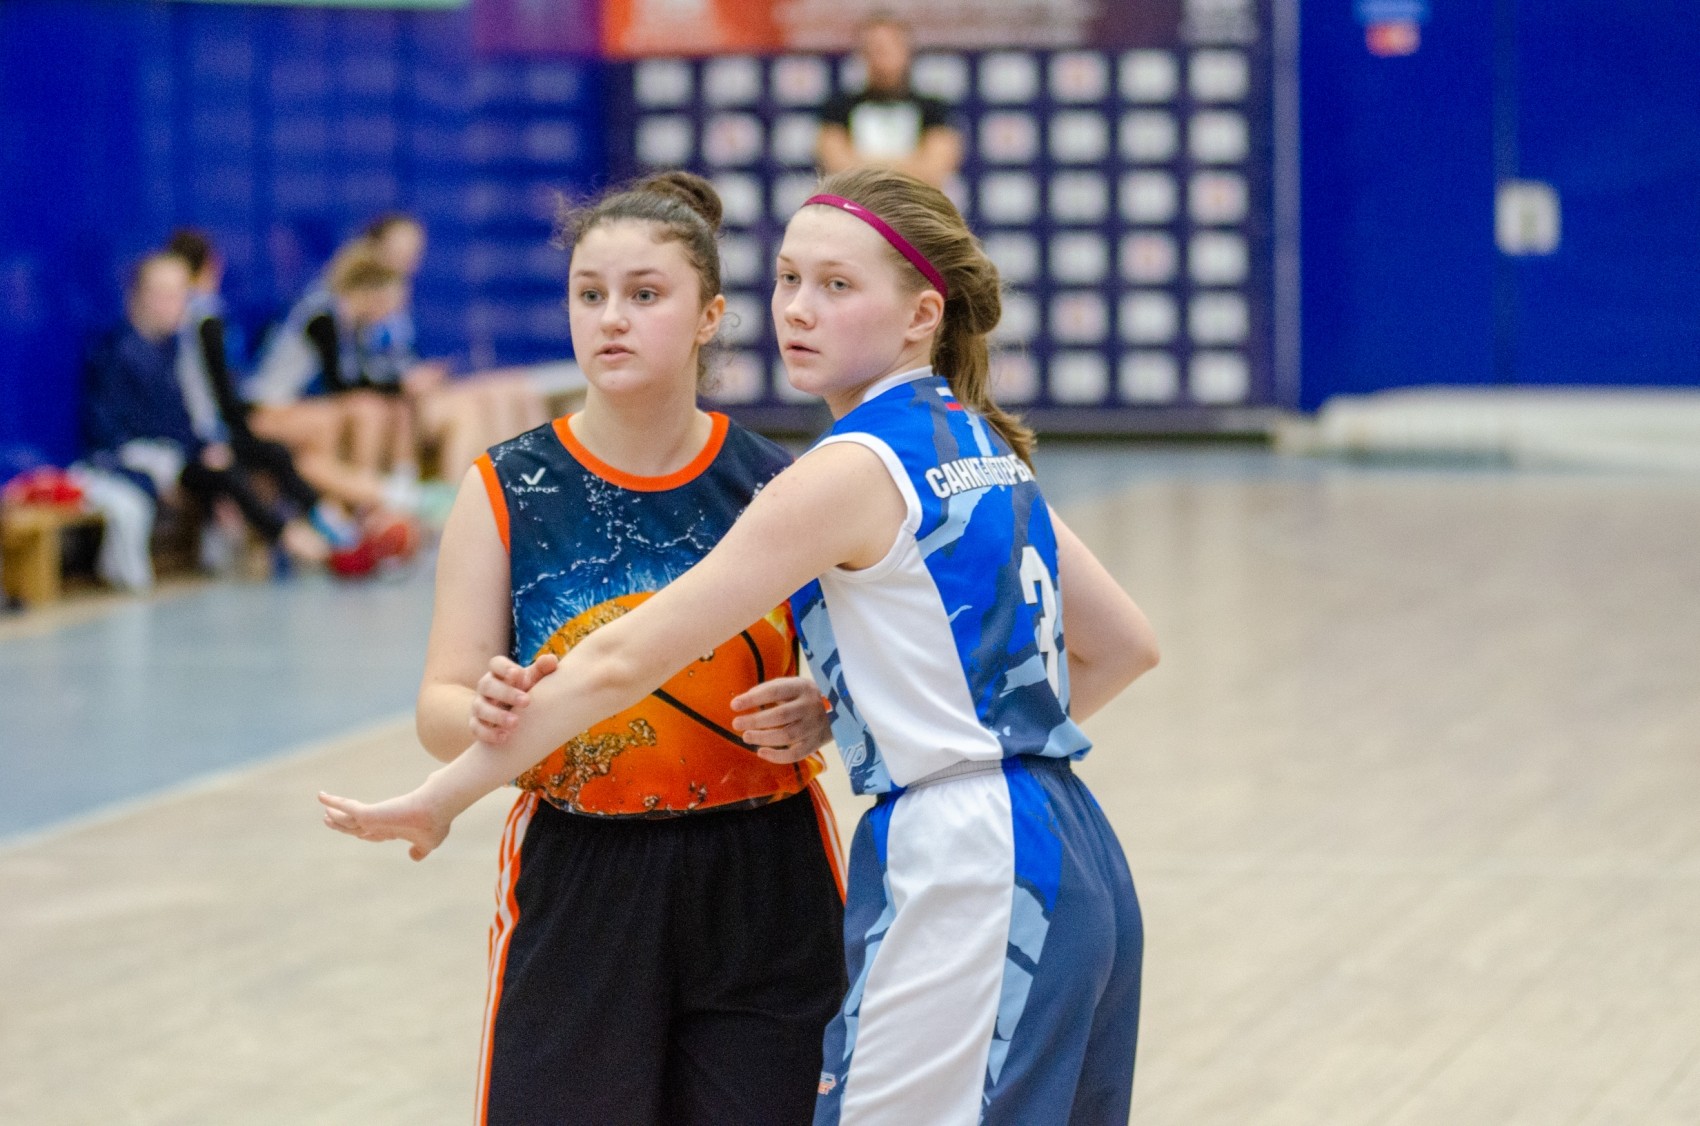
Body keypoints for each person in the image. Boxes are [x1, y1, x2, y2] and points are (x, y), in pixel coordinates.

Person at [321, 167, 1159, 1124]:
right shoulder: (974, 440)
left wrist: (441, 798)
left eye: (836, 286)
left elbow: (621, 661)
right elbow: (1123, 646)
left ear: (922, 313)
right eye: (791, 279)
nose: (799, 309)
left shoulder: (828, 471)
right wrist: (878, 715)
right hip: (1063, 839)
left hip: (944, 856)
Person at [388, 172, 848, 1124]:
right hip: (583, 873)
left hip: (766, 871)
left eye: (644, 294)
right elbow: (439, 709)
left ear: (710, 315)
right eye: (589, 294)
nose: (611, 319)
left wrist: (821, 712)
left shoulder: (783, 485)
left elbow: (858, 679)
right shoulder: (505, 487)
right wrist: (480, 714)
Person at [82, 253, 334, 570]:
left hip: (182, 450)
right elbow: (118, 433)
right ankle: (290, 537)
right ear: (138, 296)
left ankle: (327, 519)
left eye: (180, 295)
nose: (176, 305)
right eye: (165, 295)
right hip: (148, 458)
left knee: (270, 453)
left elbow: (181, 419)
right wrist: (183, 457)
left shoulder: (170, 349)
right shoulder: (118, 354)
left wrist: (205, 446)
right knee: (224, 474)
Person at [360, 212, 549, 481]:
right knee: (470, 412)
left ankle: (529, 482)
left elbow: (408, 358)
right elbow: (355, 366)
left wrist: (426, 374)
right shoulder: (363, 300)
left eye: (414, 248)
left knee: (511, 390)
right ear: (375, 247)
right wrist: (401, 382)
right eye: (401, 246)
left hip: (420, 391)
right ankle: (460, 496)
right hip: (399, 402)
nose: (410, 256)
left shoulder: (406, 300)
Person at [247, 243, 419, 500]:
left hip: (296, 404)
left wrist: (399, 387)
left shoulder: (352, 323)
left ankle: (386, 487)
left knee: (385, 407)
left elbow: (358, 377)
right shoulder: (323, 316)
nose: (390, 315)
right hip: (268, 407)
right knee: (362, 412)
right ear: (371, 294)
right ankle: (366, 497)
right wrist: (400, 385)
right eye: (389, 304)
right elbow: (338, 382)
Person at [816, 14, 963, 189]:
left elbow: (933, 170)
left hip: (915, 203)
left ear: (906, 51)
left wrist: (862, 165)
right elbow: (837, 167)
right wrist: (910, 166)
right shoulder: (838, 107)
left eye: (888, 48)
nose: (881, 57)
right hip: (857, 204)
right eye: (873, 49)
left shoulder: (934, 109)